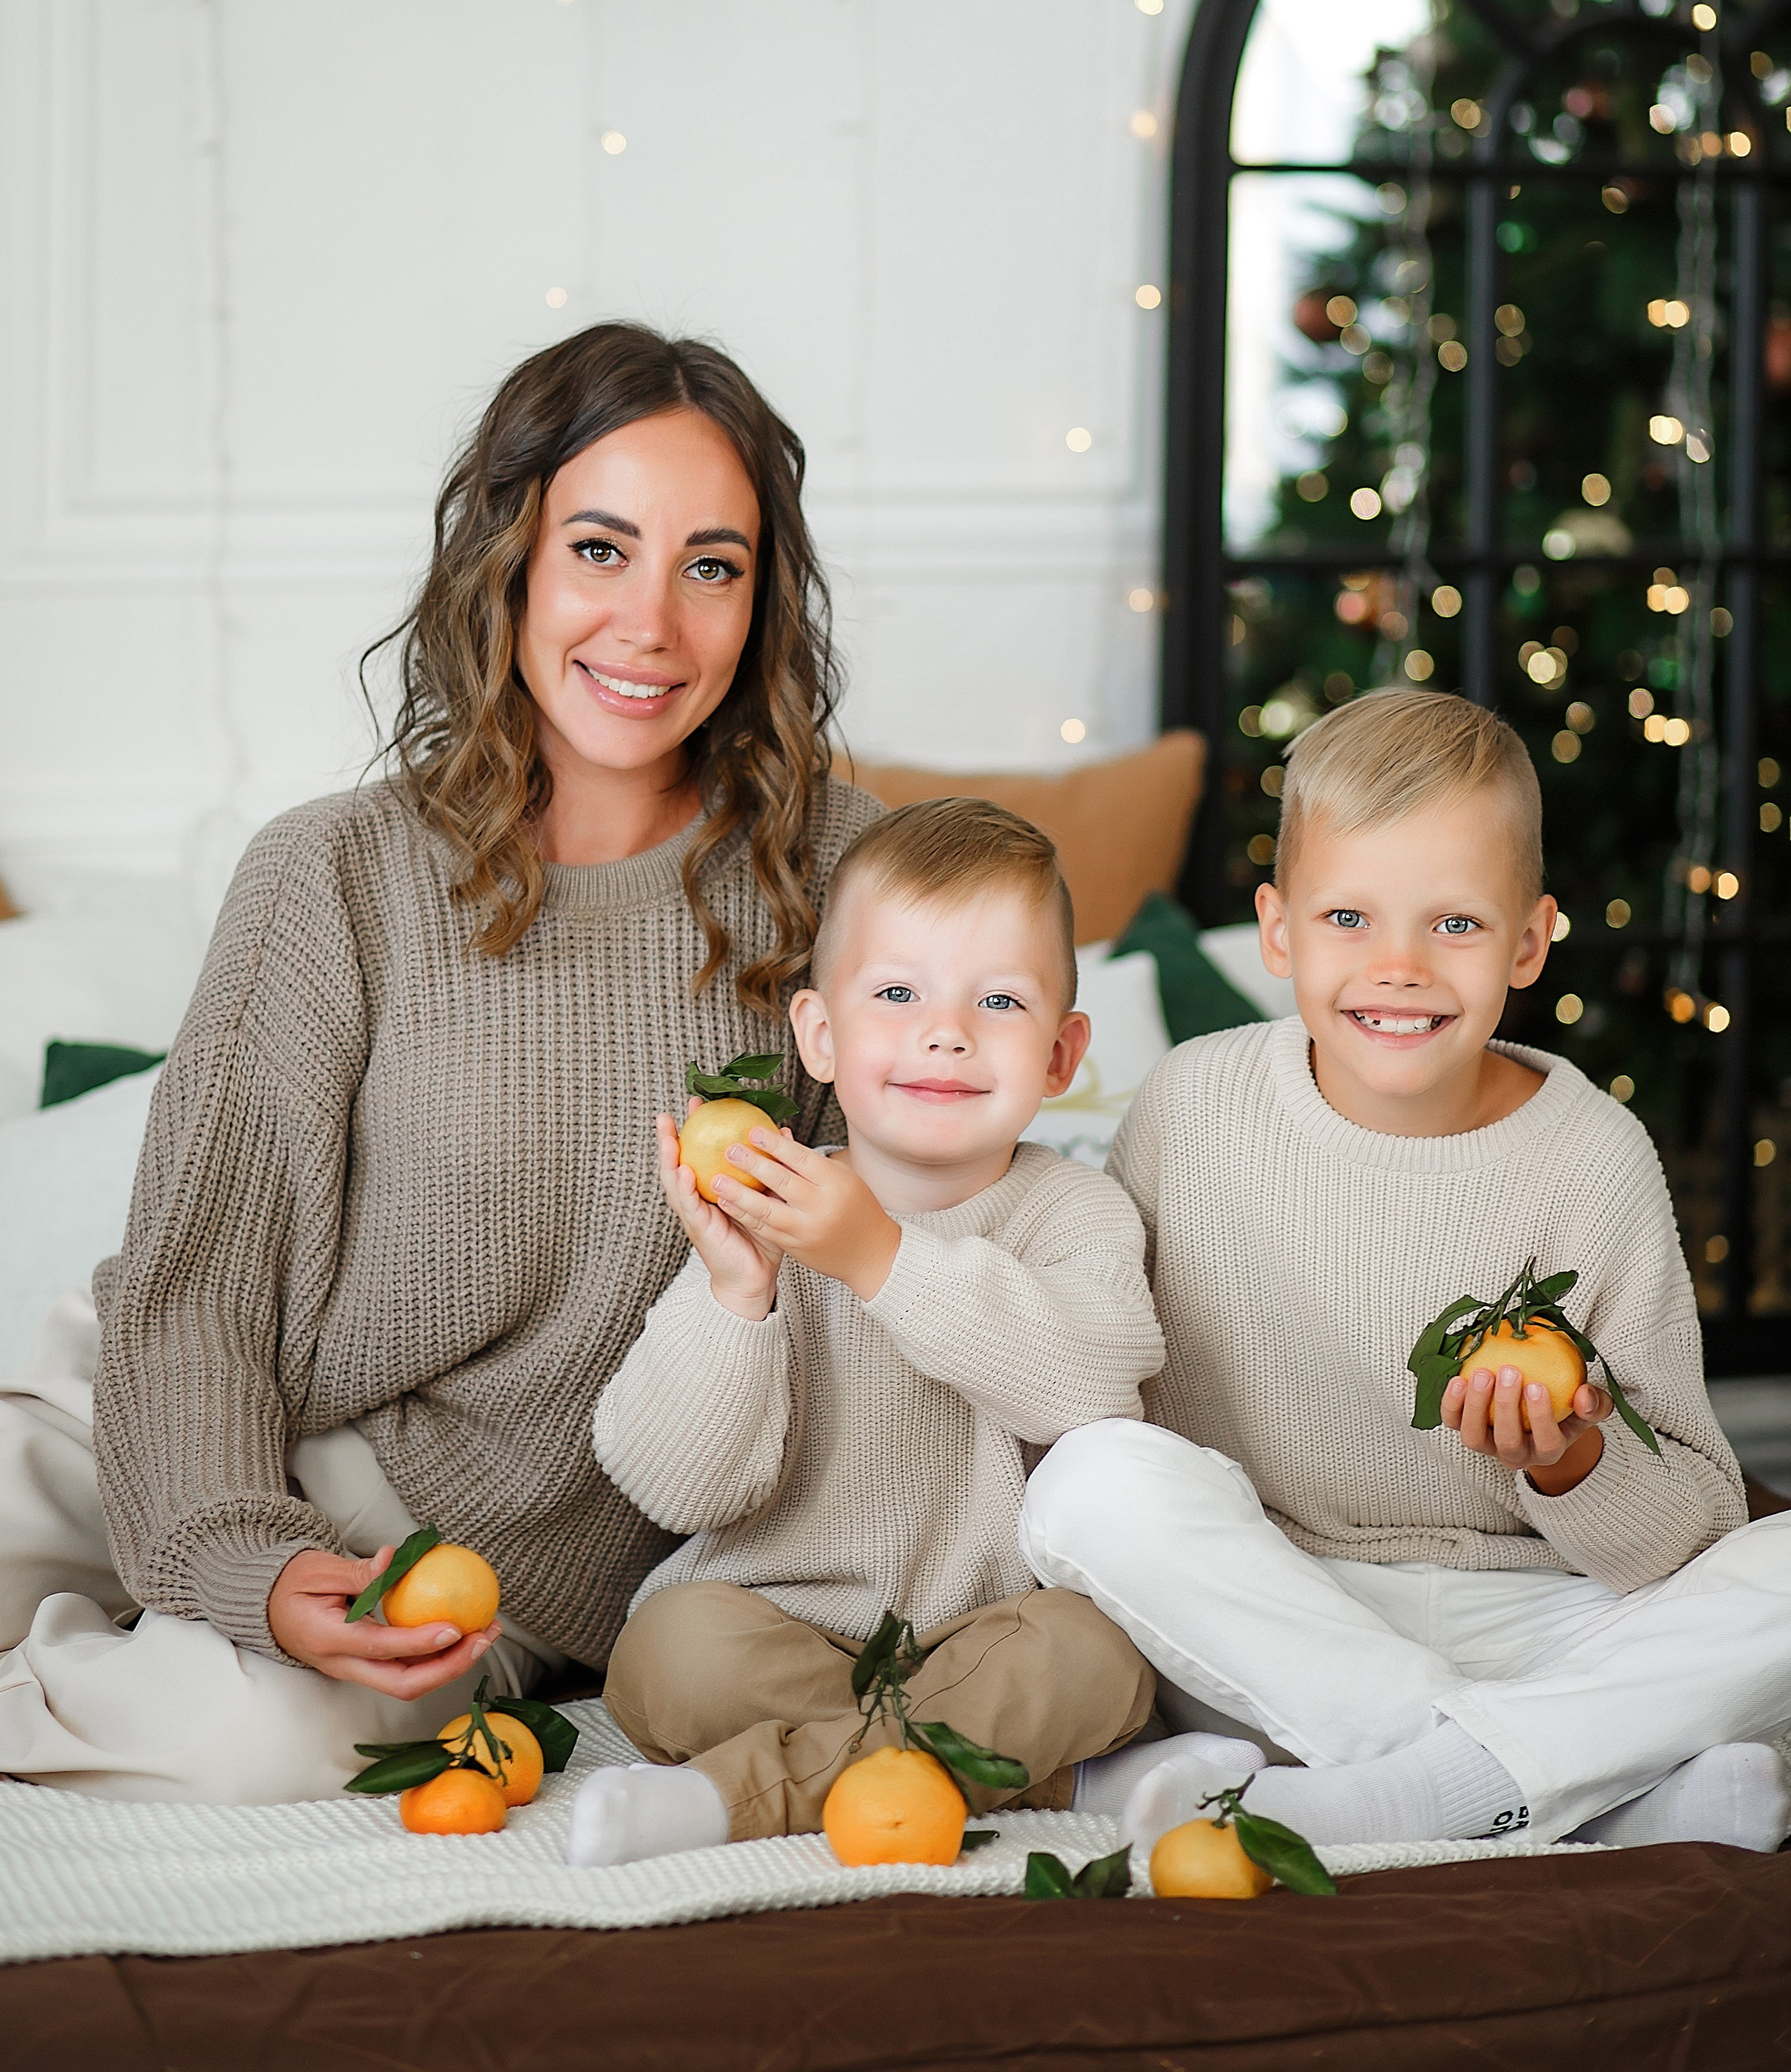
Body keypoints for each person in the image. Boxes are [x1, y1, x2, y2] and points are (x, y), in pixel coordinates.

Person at [0, 323, 883, 1801]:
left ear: (762, 601)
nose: (651, 625)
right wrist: (238, 1555)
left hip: (507, 1562)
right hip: (176, 1409)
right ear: (511, 559)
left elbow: (916, 1248)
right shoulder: (332, 874)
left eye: (710, 565)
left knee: (255, 1746)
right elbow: (196, 1279)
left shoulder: (842, 880)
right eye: (600, 550)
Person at [1021, 688, 1791, 1856]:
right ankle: (1578, 1792)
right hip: (1283, 1617)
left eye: (1456, 925)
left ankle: (1431, 1787)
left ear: (1529, 941)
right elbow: (1110, 1391)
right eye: (1348, 918)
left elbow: (1687, 1534)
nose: (1399, 968)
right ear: (1278, 931)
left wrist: (1572, 1460)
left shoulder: (1591, 1156)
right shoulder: (1192, 1108)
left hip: (1545, 1618)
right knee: (1087, 1479)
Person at [567, 801, 1168, 1865]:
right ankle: (1052, 1776)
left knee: (1101, 1654)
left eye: (1000, 1001)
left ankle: (740, 1797)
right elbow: (675, 1488)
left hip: (991, 1631)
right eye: (897, 995)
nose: (947, 1032)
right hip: (784, 1622)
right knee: (667, 1655)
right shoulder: (766, 1210)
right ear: (821, 1037)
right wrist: (735, 1295)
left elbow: (1090, 1393)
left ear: (1063, 1054)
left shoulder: (1076, 1211)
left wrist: (878, 1259)